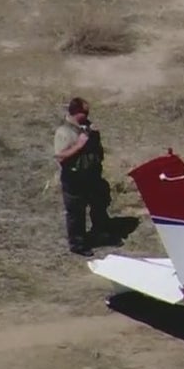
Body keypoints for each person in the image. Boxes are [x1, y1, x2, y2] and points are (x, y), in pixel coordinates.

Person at [53, 97, 121, 256]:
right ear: (76, 112)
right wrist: (79, 145)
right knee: (76, 212)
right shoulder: (64, 132)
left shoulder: (87, 128)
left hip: (92, 175)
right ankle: (78, 244)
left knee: (99, 204)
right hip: (74, 178)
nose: (88, 115)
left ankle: (99, 233)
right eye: (85, 112)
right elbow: (60, 157)